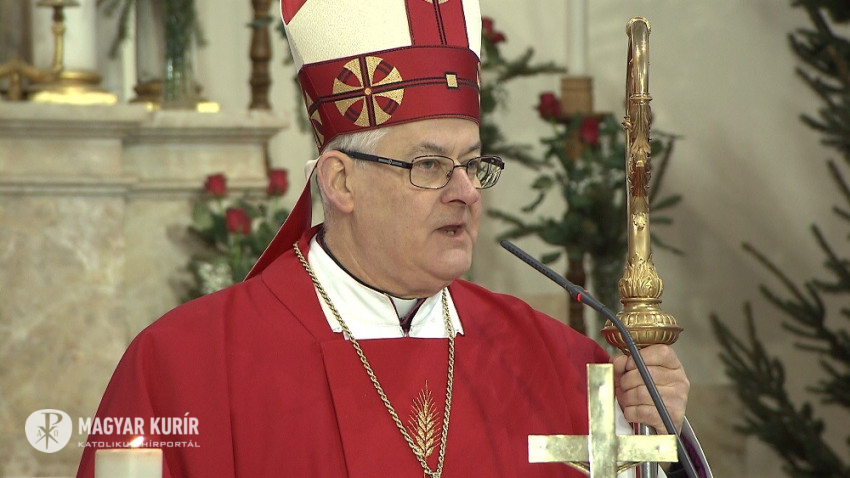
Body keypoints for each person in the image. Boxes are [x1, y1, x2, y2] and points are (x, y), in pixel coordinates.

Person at [77, 1, 711, 477]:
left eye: (473, 165)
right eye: (429, 165)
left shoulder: (559, 364)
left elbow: (639, 464)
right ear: (340, 181)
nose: (465, 191)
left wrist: (658, 432)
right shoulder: (185, 365)